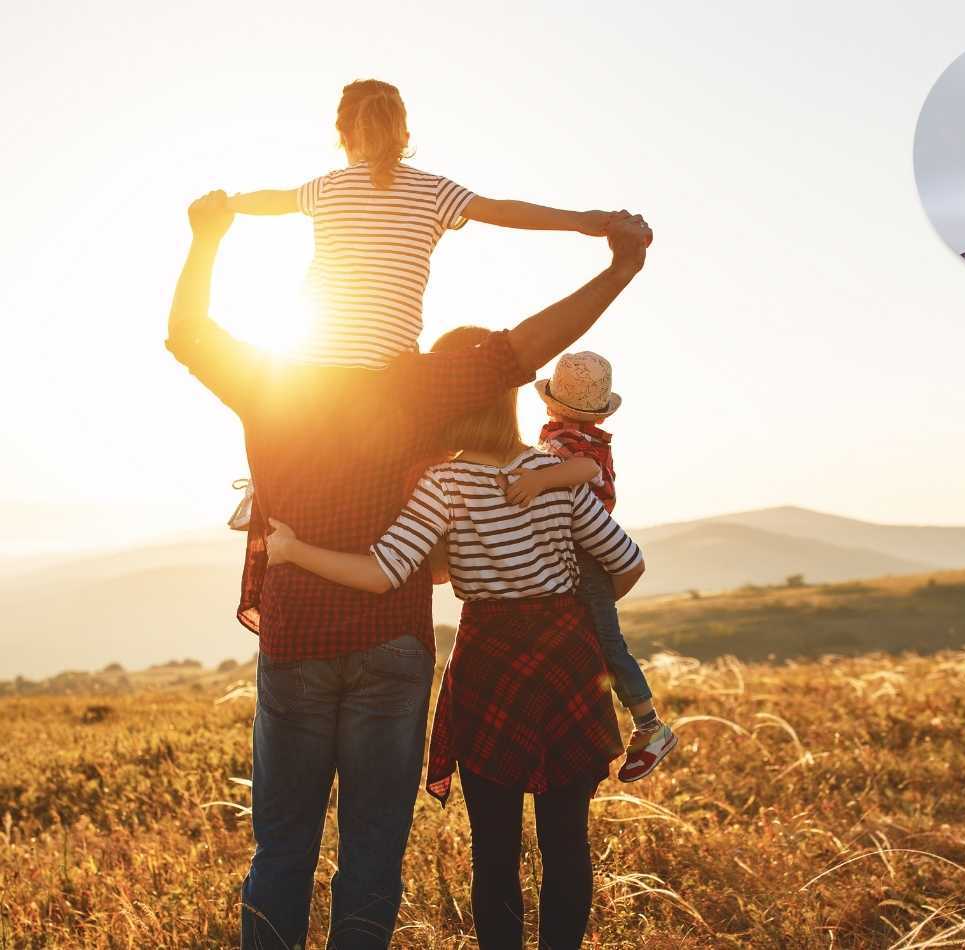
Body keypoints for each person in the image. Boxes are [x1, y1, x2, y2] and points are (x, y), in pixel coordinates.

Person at [166, 190, 651, 949]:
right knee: (373, 854)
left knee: (284, 846)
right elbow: (523, 352)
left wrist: (207, 237)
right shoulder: (424, 392)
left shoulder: (272, 382)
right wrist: (619, 267)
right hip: (405, 647)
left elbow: (188, 332)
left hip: (299, 638)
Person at [263, 326, 646, 948]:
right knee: (567, 842)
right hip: (568, 659)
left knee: (495, 848)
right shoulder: (556, 474)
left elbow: (382, 573)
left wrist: (294, 549)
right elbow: (627, 560)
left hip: (491, 661)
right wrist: (573, 611)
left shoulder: (444, 483)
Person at [228, 78, 618, 368]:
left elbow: (272, 200)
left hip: (310, 362)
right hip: (389, 369)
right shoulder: (433, 191)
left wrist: (227, 204)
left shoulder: (328, 187)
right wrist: (580, 221)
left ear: (343, 135)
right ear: (404, 135)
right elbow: (502, 211)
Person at [504, 350, 676, 781]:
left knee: (607, 643)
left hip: (585, 551)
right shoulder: (573, 436)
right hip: (579, 551)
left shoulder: (575, 445)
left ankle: (650, 726)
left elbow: (582, 470)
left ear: (550, 402)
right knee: (589, 641)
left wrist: (539, 480)